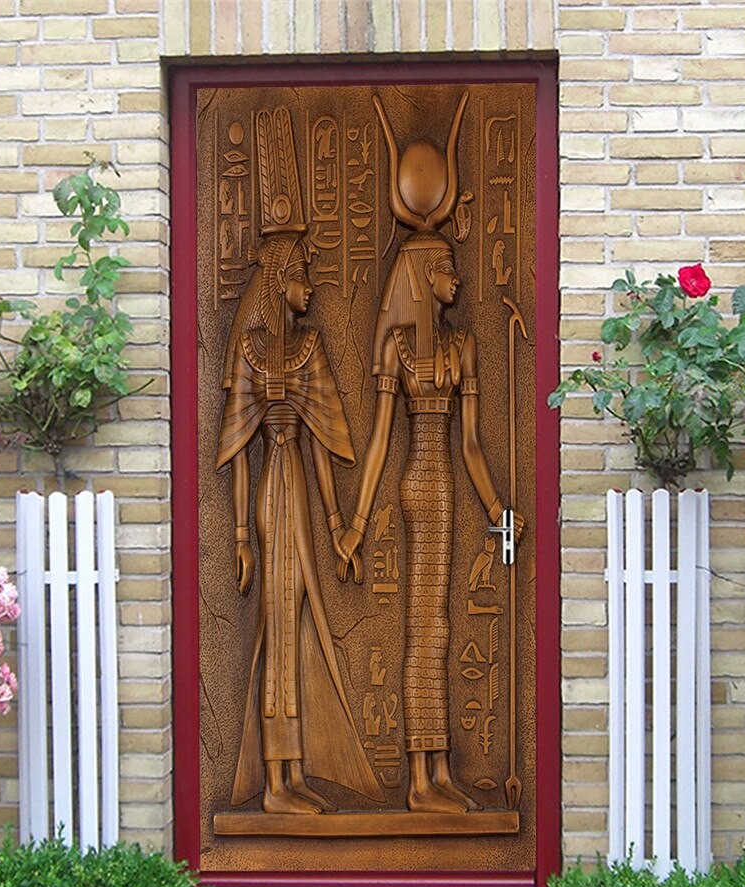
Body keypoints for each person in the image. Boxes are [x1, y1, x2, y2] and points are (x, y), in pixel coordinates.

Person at [337, 231, 523, 815]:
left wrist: (496, 512)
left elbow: (470, 445)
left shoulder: (462, 345)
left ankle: (439, 771)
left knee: (436, 628)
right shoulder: (398, 348)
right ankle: (420, 781)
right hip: (418, 486)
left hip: (445, 485)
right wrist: (357, 523)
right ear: (423, 278)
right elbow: (379, 441)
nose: (456, 278)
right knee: (425, 629)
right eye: (445, 268)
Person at [217, 230, 383, 814]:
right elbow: (239, 451)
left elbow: (318, 444)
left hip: (300, 497)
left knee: (295, 619)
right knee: (277, 622)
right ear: (279, 282)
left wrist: (337, 526)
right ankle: (275, 779)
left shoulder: (309, 347)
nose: (309, 288)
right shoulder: (252, 351)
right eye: (301, 277)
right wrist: (242, 536)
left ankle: (292, 771)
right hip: (272, 494)